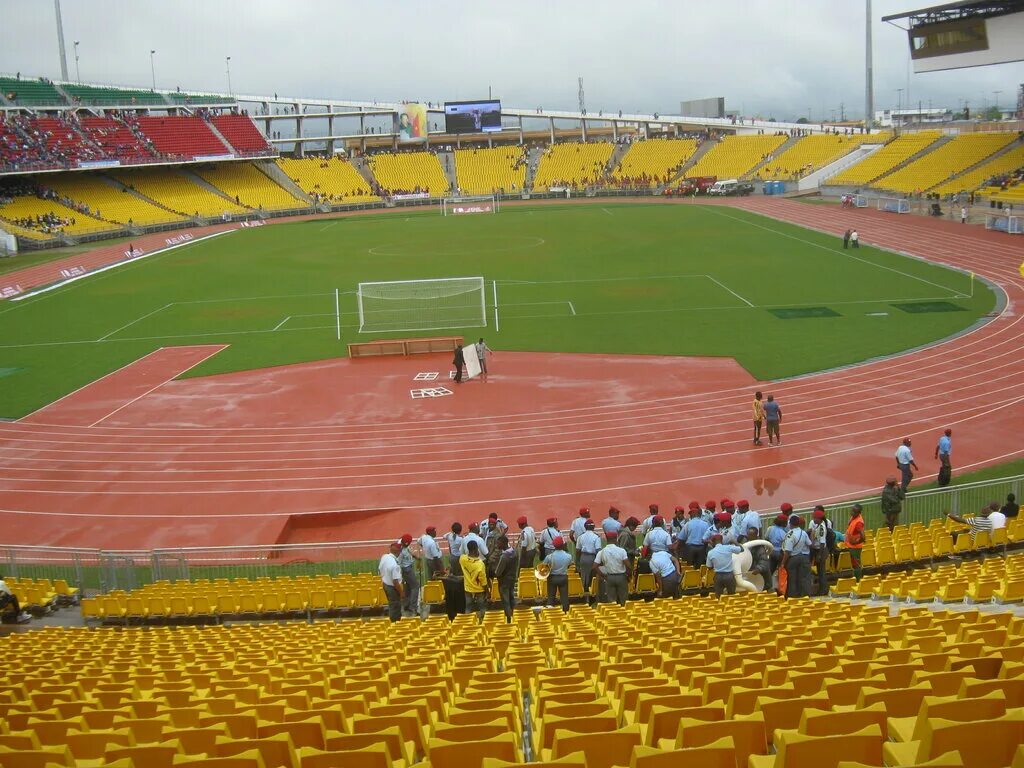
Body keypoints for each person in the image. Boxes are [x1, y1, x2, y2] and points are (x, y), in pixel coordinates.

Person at [781, 516, 812, 598]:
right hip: (802, 557)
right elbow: (809, 543)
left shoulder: (790, 534)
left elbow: (787, 551)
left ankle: (793, 596)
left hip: (792, 558)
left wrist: (783, 563)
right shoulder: (803, 532)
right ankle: (805, 595)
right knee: (804, 577)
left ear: (790, 524)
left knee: (792, 579)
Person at [595, 537, 629, 605]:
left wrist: (602, 575)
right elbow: (627, 565)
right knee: (624, 599)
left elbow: (594, 566)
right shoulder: (621, 550)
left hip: (609, 577)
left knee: (611, 600)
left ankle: (613, 613)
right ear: (615, 540)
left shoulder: (602, 552)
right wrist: (628, 574)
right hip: (621, 576)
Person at [543, 536, 573, 612]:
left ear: (554, 545)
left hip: (552, 578)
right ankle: (566, 612)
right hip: (563, 577)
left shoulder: (549, 557)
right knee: (564, 597)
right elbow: (569, 565)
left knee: (551, 597)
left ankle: (550, 613)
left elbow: (543, 567)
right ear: (563, 545)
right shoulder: (568, 556)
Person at [808, 507, 833, 596]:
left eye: (815, 518)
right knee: (820, 571)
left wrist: (819, 555)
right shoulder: (819, 525)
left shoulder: (822, 527)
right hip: (818, 550)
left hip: (821, 551)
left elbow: (822, 542)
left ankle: (823, 590)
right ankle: (822, 589)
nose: (813, 520)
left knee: (821, 571)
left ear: (819, 519)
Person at [460, 540, 488, 620]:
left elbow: (466, 557)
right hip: (479, 590)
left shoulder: (462, 559)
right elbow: (483, 580)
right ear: (476, 549)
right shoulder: (480, 564)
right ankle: (483, 623)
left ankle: (468, 622)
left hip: (468, 589)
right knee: (482, 607)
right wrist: (487, 591)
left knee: (468, 607)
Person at [576, 520, 602, 603]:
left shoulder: (581, 537)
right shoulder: (596, 537)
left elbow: (577, 550)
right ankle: (592, 598)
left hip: (583, 557)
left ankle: (585, 598)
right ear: (593, 527)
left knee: (584, 577)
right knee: (593, 577)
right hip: (593, 558)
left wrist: (578, 562)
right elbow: (598, 551)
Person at [493, 535, 518, 622]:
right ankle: (514, 617)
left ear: (503, 543)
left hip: (504, 582)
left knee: (506, 601)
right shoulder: (514, 552)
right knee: (512, 599)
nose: (497, 545)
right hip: (512, 579)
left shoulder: (504, 557)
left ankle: (509, 619)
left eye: (498, 543)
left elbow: (498, 572)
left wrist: (494, 572)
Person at [379, 542, 404, 623]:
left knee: (392, 605)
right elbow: (395, 582)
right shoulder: (395, 565)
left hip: (385, 583)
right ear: (398, 552)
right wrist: (401, 593)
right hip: (392, 587)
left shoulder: (384, 557)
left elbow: (379, 569)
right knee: (395, 606)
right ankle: (395, 623)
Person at [397, 534, 419, 616]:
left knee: (408, 586)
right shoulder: (401, 552)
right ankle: (413, 606)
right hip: (406, 569)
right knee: (415, 586)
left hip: (407, 567)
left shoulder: (404, 545)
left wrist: (415, 557)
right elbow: (398, 562)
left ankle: (406, 605)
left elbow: (410, 551)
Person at [845, 504, 866, 581]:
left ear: (858, 513)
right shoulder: (853, 518)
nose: (852, 512)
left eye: (854, 511)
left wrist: (856, 542)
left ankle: (858, 581)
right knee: (854, 564)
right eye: (852, 510)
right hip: (850, 545)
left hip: (855, 548)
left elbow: (863, 537)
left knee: (856, 565)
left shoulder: (858, 523)